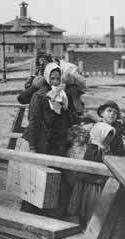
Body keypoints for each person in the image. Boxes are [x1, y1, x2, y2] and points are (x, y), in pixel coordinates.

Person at [20, 62, 71, 217]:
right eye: (53, 78)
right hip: (42, 141)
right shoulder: (39, 96)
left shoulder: (62, 96)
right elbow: (34, 122)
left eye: (58, 78)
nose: (56, 82)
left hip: (58, 143)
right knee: (38, 177)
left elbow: (65, 119)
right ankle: (32, 210)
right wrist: (33, 146)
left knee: (57, 177)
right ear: (48, 78)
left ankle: (53, 211)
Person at [67, 122, 116, 228]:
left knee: (96, 208)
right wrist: (97, 179)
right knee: (90, 207)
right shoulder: (93, 149)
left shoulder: (103, 149)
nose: (109, 139)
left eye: (110, 137)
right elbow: (86, 169)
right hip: (91, 185)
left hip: (99, 183)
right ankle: (88, 227)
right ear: (100, 135)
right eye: (107, 136)